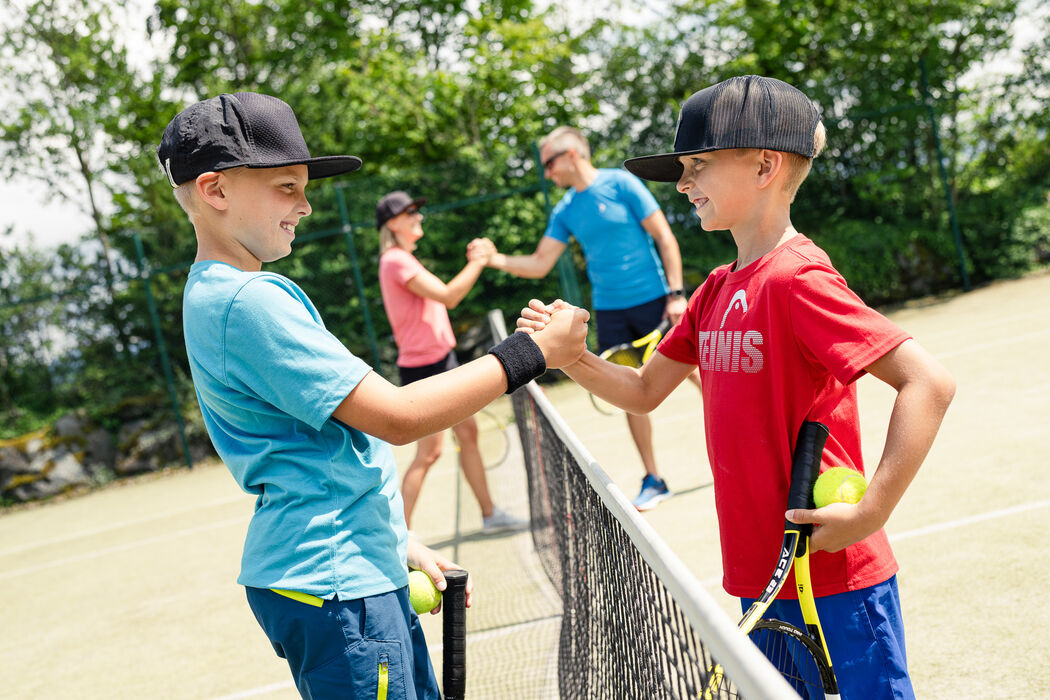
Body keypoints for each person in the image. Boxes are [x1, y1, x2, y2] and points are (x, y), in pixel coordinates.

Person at [517, 75, 955, 699]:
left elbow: (928, 382)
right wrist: (573, 357)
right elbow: (643, 391)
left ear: (765, 167)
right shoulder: (715, 290)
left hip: (833, 575)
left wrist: (872, 510)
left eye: (697, 165)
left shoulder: (799, 279)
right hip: (759, 572)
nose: (683, 183)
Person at [157, 92, 588, 700]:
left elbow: (317, 454)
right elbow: (397, 415)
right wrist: (533, 353)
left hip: (346, 570)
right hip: (336, 587)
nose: (305, 206)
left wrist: (391, 539)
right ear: (215, 190)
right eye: (286, 188)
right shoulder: (245, 301)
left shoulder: (219, 294)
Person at [475, 125, 699, 511]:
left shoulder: (622, 185)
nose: (547, 173)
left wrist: (676, 295)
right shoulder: (565, 210)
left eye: (549, 163)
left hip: (656, 302)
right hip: (610, 310)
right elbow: (541, 262)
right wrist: (492, 260)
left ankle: (740, 450)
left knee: (701, 376)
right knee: (631, 392)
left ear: (572, 155)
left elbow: (664, 237)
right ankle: (653, 478)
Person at [376, 190, 525, 534]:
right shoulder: (395, 260)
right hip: (424, 369)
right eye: (410, 212)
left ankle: (489, 514)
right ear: (392, 223)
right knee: (430, 453)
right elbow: (449, 296)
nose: (419, 217)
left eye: (417, 210)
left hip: (443, 360)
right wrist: (479, 260)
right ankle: (395, 535)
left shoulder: (404, 259)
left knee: (468, 434)